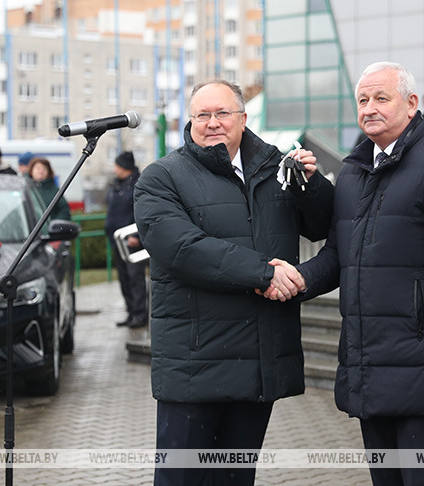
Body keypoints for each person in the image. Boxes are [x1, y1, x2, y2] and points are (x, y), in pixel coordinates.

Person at [267, 61, 424, 486]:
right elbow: (339, 254)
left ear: (410, 105)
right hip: (371, 366)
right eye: (363, 100)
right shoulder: (354, 171)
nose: (369, 108)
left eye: (380, 98)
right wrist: (297, 278)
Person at [132, 79, 334, 486]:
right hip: (194, 364)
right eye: (201, 115)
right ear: (189, 122)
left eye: (222, 113)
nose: (212, 123)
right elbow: (182, 249)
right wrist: (265, 274)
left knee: (235, 478)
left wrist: (312, 186)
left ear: (243, 118)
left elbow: (323, 226)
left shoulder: (277, 168)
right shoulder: (161, 177)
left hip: (257, 362)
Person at [105, 151, 148, 329]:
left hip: (131, 241)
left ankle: (140, 314)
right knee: (124, 278)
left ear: (125, 167)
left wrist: (136, 236)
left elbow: (142, 213)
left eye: (117, 165)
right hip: (117, 240)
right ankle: (131, 312)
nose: (115, 169)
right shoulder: (117, 185)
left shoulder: (138, 184)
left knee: (135, 278)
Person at [27, 157, 71, 221]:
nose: (41, 171)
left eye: (44, 169)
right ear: (31, 171)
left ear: (49, 172)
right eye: (38, 168)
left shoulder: (54, 191)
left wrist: (53, 224)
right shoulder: (25, 190)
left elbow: (64, 211)